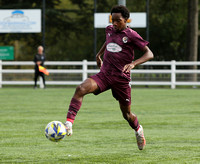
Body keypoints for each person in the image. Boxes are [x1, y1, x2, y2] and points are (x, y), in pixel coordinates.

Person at [64, 5, 154, 150]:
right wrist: (99, 54)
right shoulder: (110, 30)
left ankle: (138, 130)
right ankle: (68, 124)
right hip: (105, 75)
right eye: (113, 20)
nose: (115, 23)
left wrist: (133, 64)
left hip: (121, 80)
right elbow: (109, 41)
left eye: (118, 20)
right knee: (81, 88)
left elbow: (149, 54)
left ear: (126, 20)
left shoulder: (131, 35)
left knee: (127, 114)